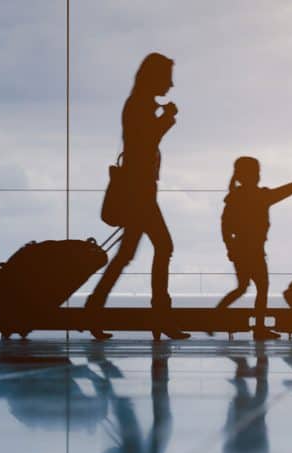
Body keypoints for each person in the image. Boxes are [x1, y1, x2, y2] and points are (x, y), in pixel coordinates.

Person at [86, 52, 189, 341]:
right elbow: (145, 142)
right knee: (163, 247)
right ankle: (160, 318)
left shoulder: (139, 105)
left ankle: (94, 310)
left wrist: (163, 116)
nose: (171, 84)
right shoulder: (140, 106)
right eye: (167, 77)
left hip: (140, 191)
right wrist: (168, 117)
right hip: (140, 193)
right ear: (154, 77)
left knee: (126, 255)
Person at [214, 156, 292, 340]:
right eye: (256, 173)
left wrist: (230, 248)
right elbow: (281, 193)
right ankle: (256, 327)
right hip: (253, 251)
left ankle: (218, 316)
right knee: (261, 287)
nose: (258, 176)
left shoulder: (235, 197)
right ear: (251, 175)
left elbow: (225, 226)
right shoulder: (259, 196)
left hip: (241, 249)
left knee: (243, 287)